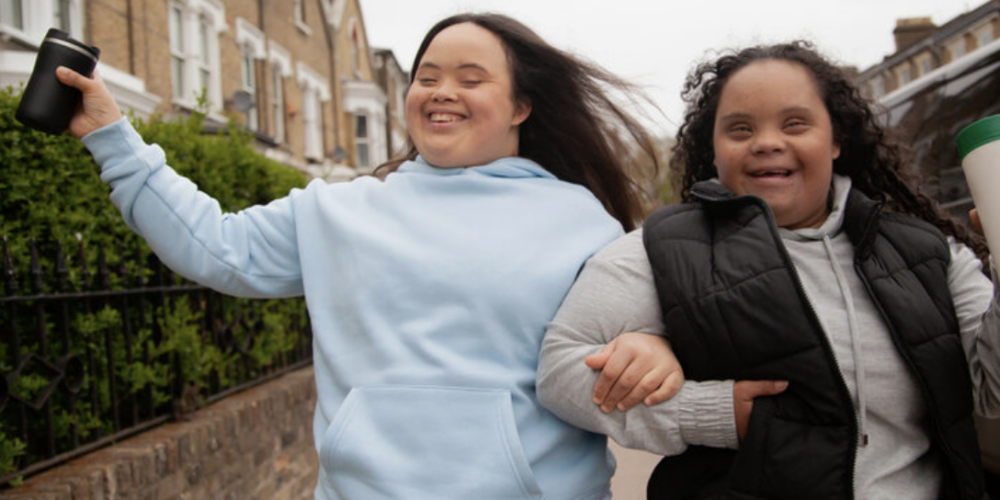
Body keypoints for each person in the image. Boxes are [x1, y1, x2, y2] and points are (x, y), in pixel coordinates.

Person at [55, 13, 670, 500]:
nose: (441, 92)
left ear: (520, 106)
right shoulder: (339, 209)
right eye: (426, 77)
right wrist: (113, 135)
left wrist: (653, 344)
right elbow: (213, 245)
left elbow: (632, 344)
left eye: (470, 78)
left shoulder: (583, 220)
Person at [536, 40, 1000, 500]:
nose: (767, 143)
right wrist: (711, 413)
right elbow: (560, 371)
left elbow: (991, 396)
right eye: (739, 129)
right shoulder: (660, 248)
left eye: (795, 123)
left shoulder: (931, 251)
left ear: (835, 139)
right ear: (713, 149)